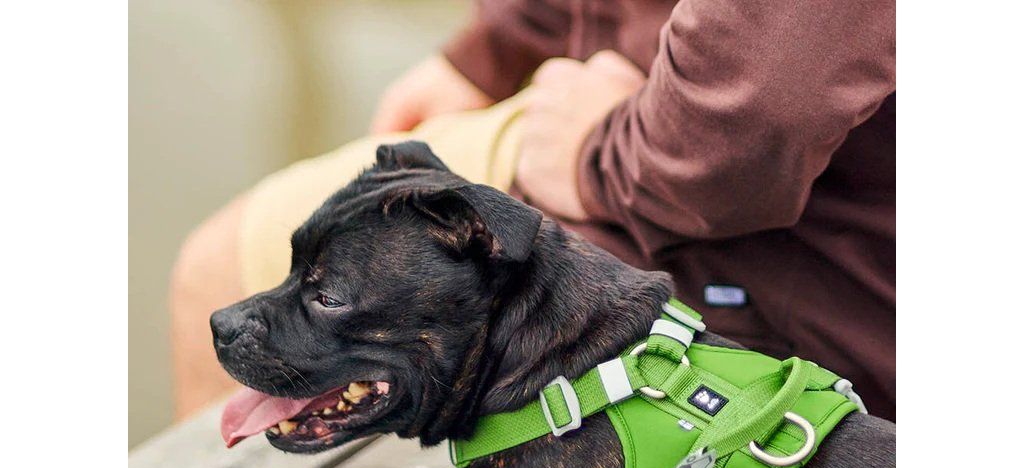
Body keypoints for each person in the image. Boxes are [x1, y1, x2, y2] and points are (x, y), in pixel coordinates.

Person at [172, 0, 895, 421]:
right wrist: (496, 49)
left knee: (221, 268)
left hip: (812, 261)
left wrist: (592, 157)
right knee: (227, 269)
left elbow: (751, 126)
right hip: (634, 111)